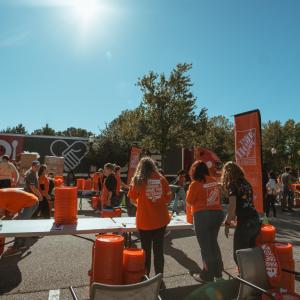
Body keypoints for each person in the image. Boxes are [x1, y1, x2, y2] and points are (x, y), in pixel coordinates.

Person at [128, 157, 172, 288]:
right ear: (153, 166)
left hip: (144, 221)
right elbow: (168, 199)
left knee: (145, 251)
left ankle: (146, 279)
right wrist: (156, 202)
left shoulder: (138, 180)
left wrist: (141, 204)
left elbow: (131, 200)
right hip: (160, 220)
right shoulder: (162, 179)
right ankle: (159, 280)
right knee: (159, 251)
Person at [186, 160, 224, 283]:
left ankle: (207, 276)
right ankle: (218, 274)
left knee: (205, 247)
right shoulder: (213, 181)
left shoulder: (195, 184)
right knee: (213, 244)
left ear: (194, 171)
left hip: (202, 216)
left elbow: (189, 201)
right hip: (217, 214)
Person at [221, 162, 260, 264]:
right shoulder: (246, 183)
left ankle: (244, 277)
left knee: (239, 255)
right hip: (255, 220)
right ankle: (252, 276)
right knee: (250, 252)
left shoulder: (232, 184)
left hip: (245, 223)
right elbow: (242, 202)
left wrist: (227, 224)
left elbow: (232, 206)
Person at [4, 160, 42, 256]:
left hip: (30, 201)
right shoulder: (31, 174)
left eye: (38, 166)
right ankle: (20, 244)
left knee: (20, 223)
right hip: (28, 200)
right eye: (36, 166)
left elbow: (33, 188)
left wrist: (39, 195)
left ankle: (18, 246)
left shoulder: (32, 174)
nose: (37, 168)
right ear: (33, 166)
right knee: (22, 222)